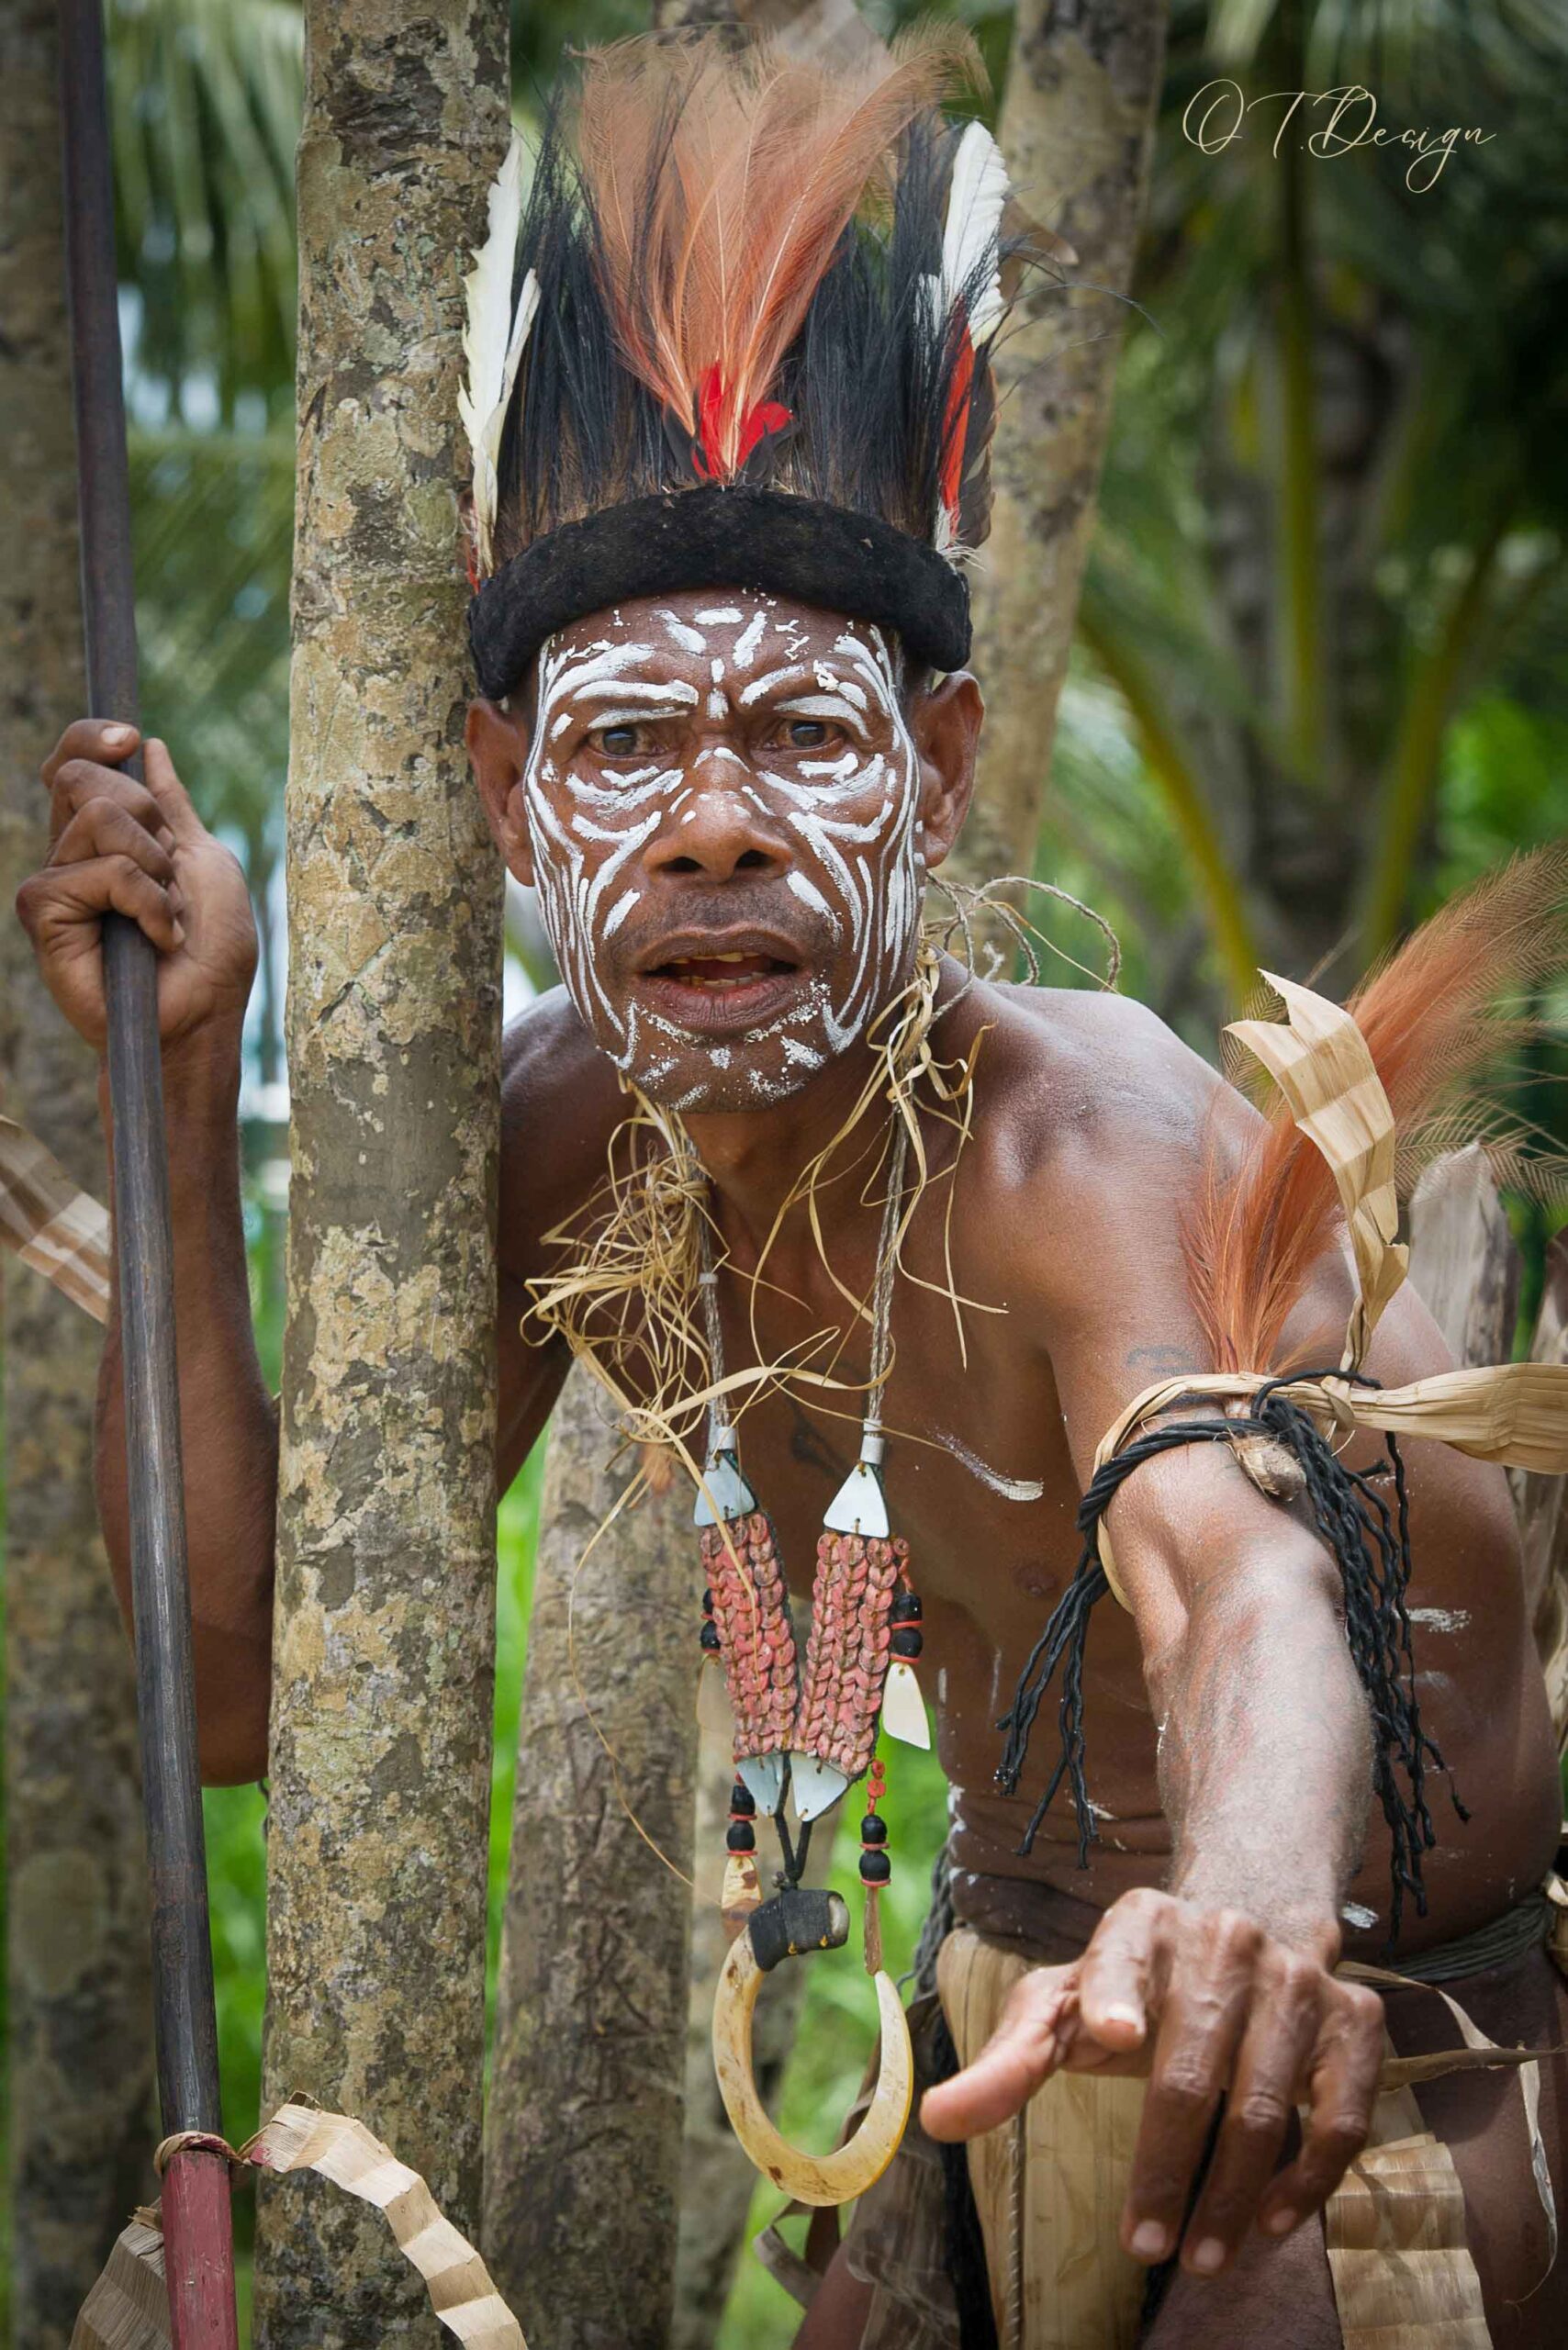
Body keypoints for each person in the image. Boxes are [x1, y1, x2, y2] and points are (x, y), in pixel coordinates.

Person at [17, 28, 1566, 2350]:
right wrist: (181, 1064)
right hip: (999, 2030)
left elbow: (1231, 1567)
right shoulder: (569, 1151)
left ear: (935, 767)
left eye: (805, 737)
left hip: (1363, 2057)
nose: (716, 821)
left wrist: (1246, 1899)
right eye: (628, 743)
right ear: (505, 789)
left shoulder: (1076, 1148)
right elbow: (234, 1688)